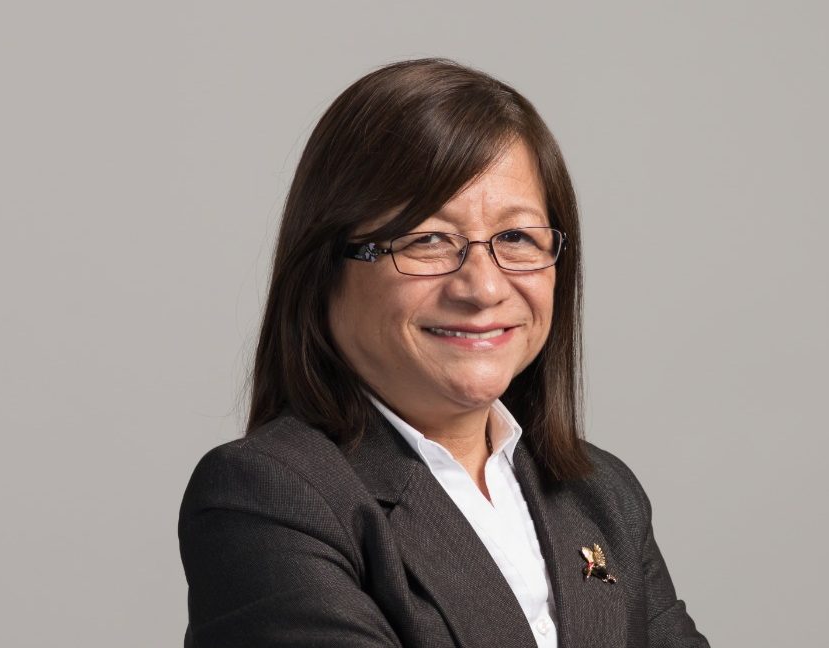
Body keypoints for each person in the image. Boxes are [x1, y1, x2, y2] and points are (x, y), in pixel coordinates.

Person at [178, 58, 709, 648]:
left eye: (516, 237)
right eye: (427, 239)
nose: (483, 288)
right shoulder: (267, 497)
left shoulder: (602, 493)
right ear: (325, 268)